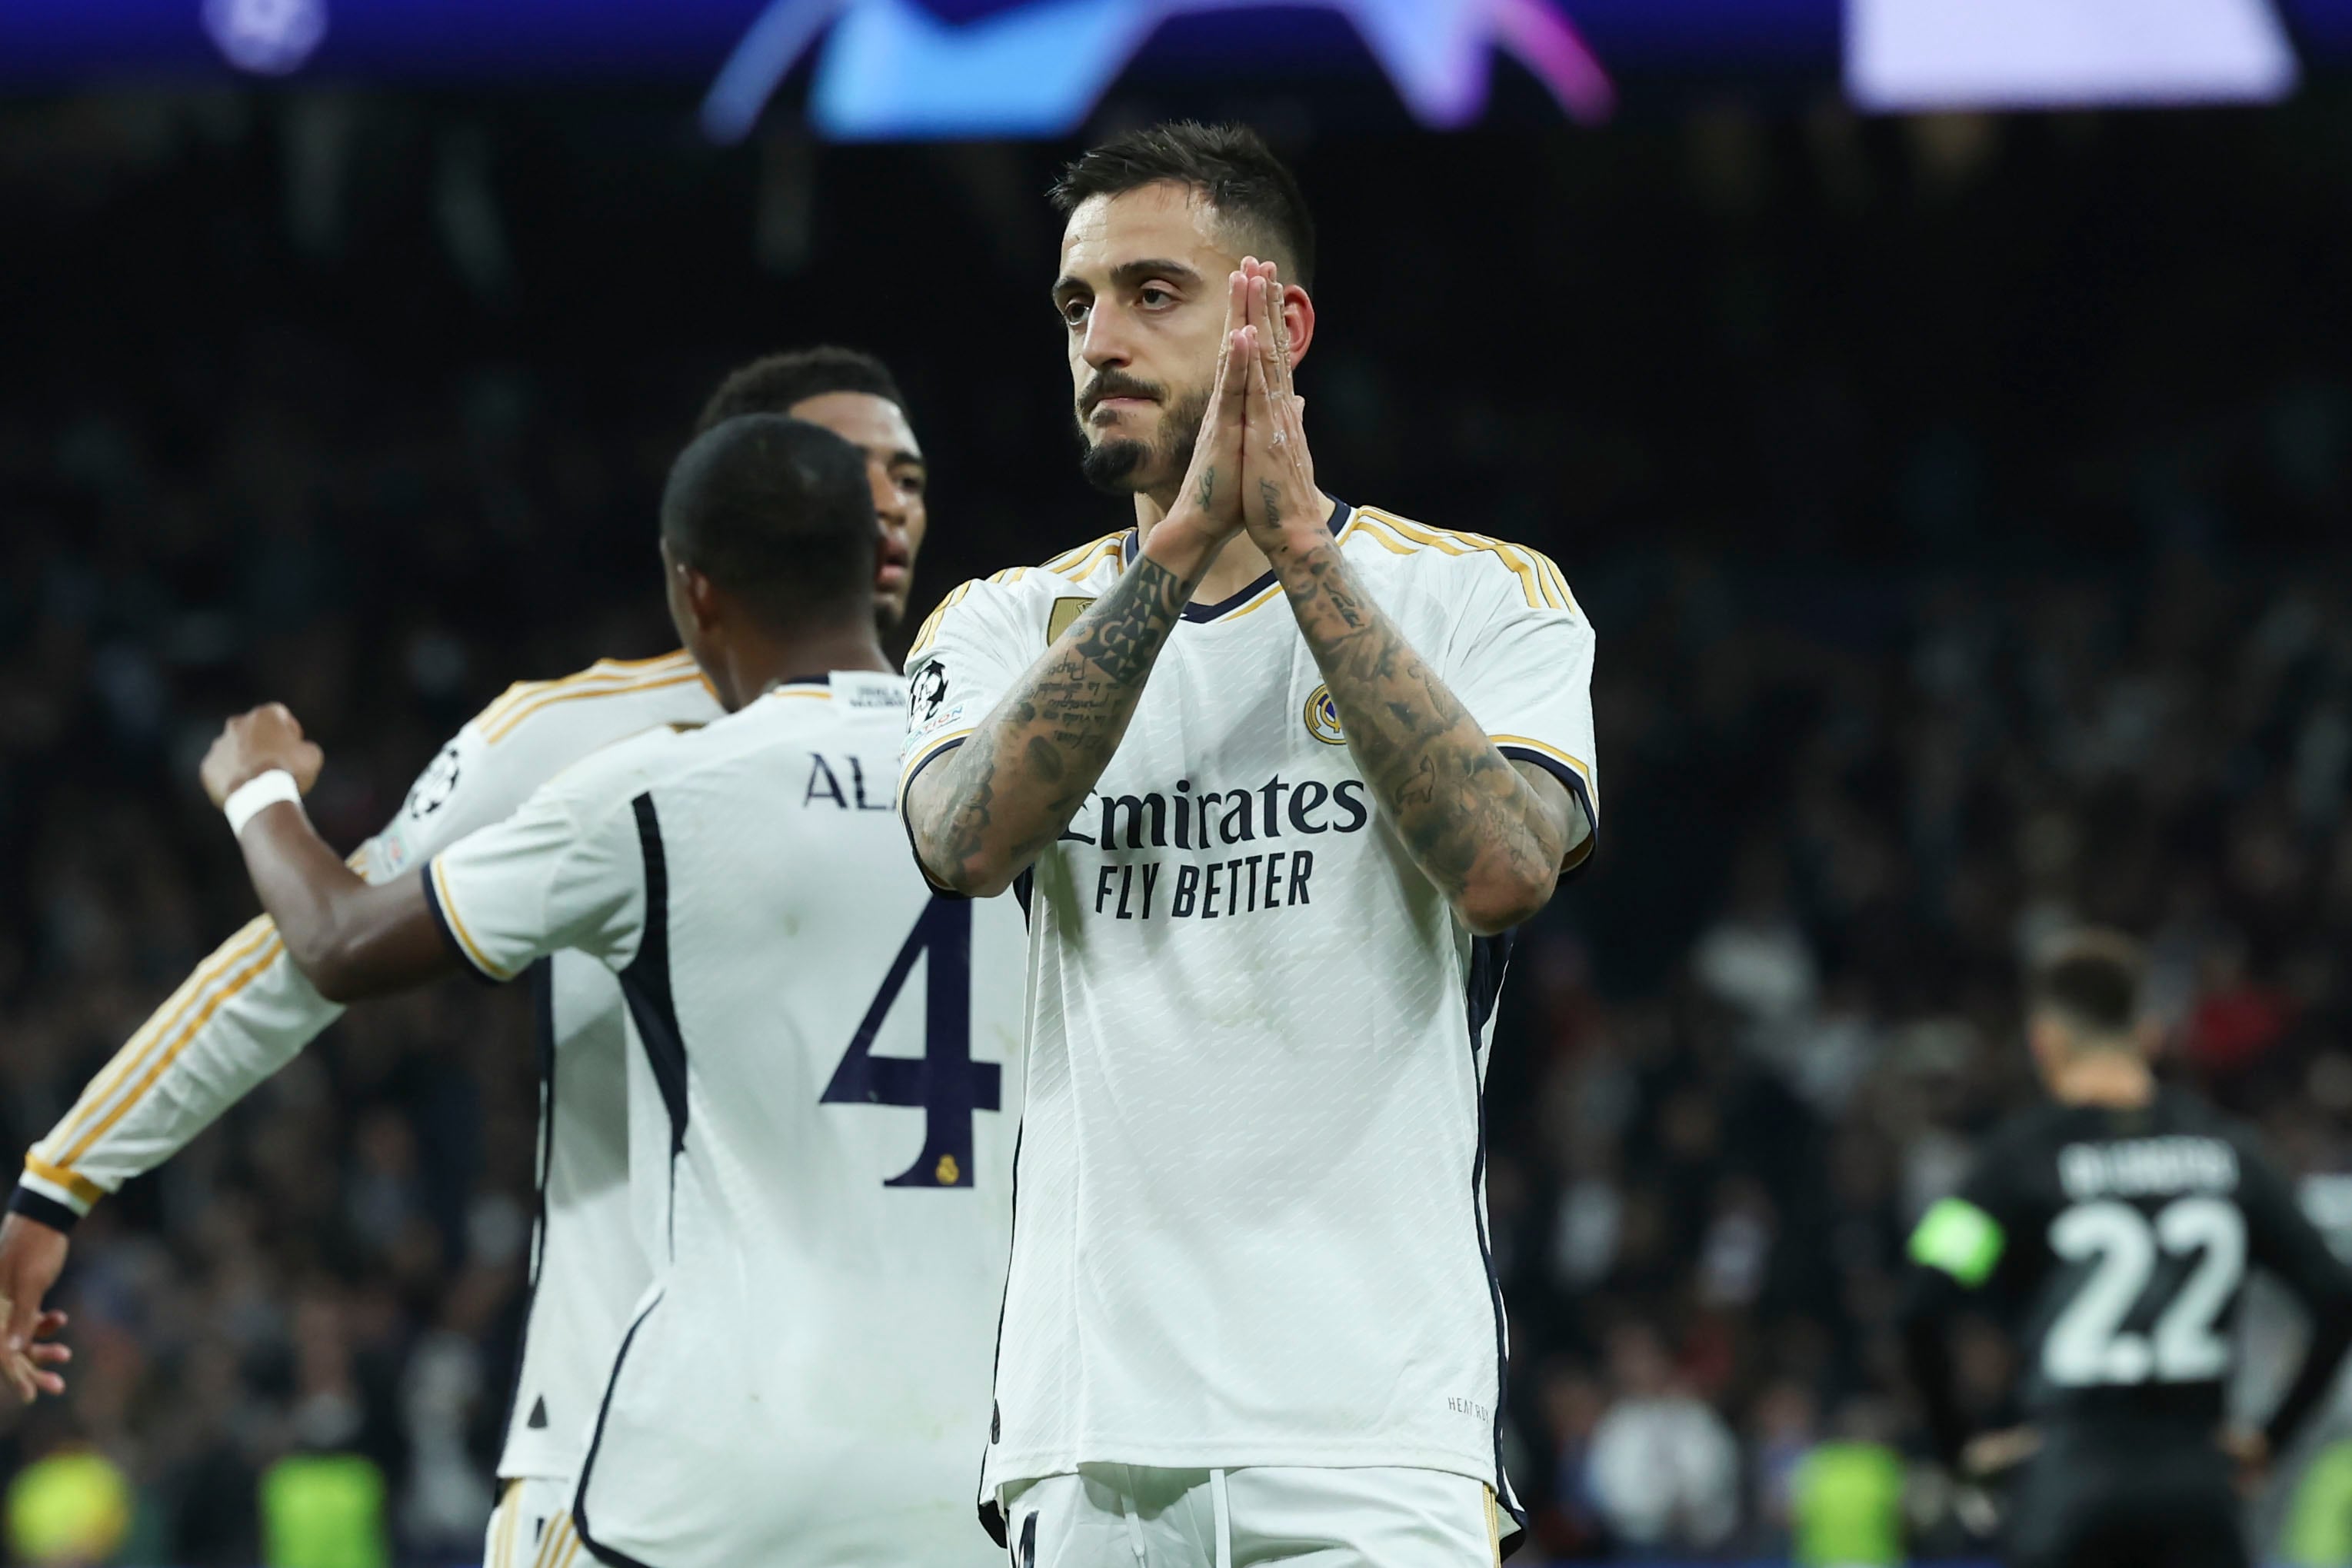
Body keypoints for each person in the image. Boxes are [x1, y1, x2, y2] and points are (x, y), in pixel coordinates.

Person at [0, 347, 934, 1568]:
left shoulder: (994, 732)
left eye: (906, 475)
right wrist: (59, 1176)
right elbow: (300, 961)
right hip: (625, 1444)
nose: (884, 505)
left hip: (933, 1444)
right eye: (842, 467)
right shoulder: (574, 738)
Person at [899, 121, 1598, 1565]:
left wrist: (1298, 553)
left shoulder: (1479, 597)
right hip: (1089, 1428)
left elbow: (1504, 869)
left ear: (1274, 322)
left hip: (1374, 1428)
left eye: (1152, 292)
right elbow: (964, 842)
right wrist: (1174, 553)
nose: (1099, 337)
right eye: (1075, 303)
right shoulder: (992, 621)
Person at [197, 414, 1024, 1567]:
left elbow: (335, 941)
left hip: (726, 1453)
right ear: (870, 566)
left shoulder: (657, 790)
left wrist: (257, 794)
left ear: (695, 593)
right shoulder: (1021, 787)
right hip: (985, 1461)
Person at [1897, 929, 2352, 1568]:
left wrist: (1961, 1449)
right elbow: (2335, 1297)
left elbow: (1922, 1304)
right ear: (2150, 1033)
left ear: (2045, 1041)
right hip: (2199, 1492)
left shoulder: (2019, 1161)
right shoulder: (2230, 1153)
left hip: (2068, 1485)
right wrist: (2271, 1438)